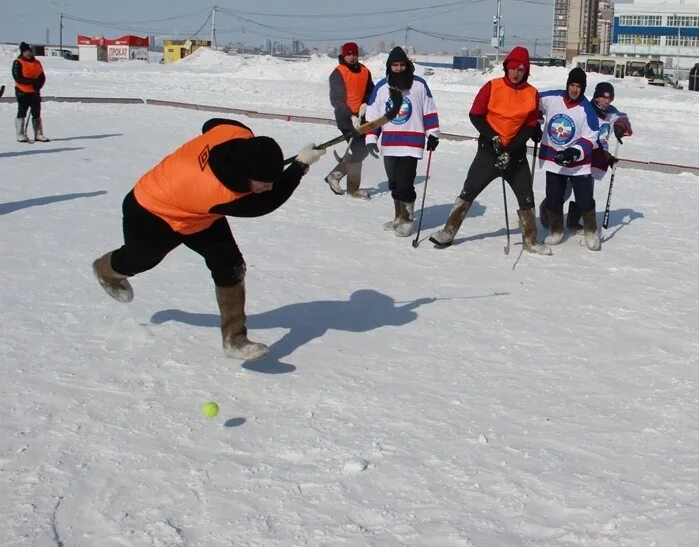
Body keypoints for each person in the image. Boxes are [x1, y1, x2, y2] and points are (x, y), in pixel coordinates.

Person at [91, 118, 326, 361]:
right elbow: (268, 202)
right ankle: (105, 269)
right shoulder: (222, 193)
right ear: (243, 175)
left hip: (198, 214)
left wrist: (276, 168)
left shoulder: (236, 133)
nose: (268, 187)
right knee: (140, 260)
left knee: (230, 265)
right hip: (151, 209)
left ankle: (234, 340)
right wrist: (299, 166)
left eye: (270, 181)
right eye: (263, 183)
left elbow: (212, 124)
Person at [429, 46, 549, 255]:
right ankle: (448, 232)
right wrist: (493, 138)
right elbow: (476, 115)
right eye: (512, 68)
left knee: (526, 196)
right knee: (469, 190)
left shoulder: (532, 93)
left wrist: (509, 150)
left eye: (521, 69)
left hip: (515, 154)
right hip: (488, 151)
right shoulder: (491, 87)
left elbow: (530, 126)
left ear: (526, 70)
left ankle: (531, 239)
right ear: (506, 67)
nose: (515, 72)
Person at [364, 47, 440, 237]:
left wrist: (433, 134)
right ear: (390, 67)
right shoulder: (381, 88)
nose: (399, 68)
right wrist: (371, 138)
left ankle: (407, 219)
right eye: (395, 65)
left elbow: (429, 110)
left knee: (405, 183)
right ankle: (398, 216)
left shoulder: (419, 85)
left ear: (407, 65)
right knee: (394, 183)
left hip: (412, 143)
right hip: (390, 144)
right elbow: (373, 116)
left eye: (402, 64)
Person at [537, 68, 601, 250]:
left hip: (577, 164)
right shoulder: (552, 98)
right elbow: (531, 102)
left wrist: (574, 152)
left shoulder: (587, 109)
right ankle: (556, 231)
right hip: (553, 159)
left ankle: (590, 231)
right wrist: (534, 122)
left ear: (583, 88)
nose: (574, 89)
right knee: (554, 198)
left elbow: (591, 138)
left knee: (584, 199)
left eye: (578, 86)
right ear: (567, 85)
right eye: (572, 85)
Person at [566, 81, 633, 233]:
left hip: (596, 159)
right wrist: (605, 155)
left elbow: (623, 118)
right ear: (596, 97)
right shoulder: (586, 109)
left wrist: (620, 126)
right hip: (578, 157)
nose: (607, 101)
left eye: (610, 99)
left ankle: (573, 222)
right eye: (603, 98)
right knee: (565, 191)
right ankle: (548, 212)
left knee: (586, 193)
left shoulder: (611, 112)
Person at [324, 42, 376, 198]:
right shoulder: (338, 73)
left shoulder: (365, 71)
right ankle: (349, 186)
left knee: (361, 149)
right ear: (343, 55)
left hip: (362, 115)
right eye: (349, 54)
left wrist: (366, 103)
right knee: (360, 149)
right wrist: (350, 115)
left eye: (354, 54)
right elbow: (336, 99)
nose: (352, 57)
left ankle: (339, 175)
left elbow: (370, 90)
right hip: (345, 117)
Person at [12, 42, 47, 142]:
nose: (28, 53)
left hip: (34, 92)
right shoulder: (17, 62)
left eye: (29, 51)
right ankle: (20, 134)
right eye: (25, 51)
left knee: (36, 113)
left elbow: (42, 76)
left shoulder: (37, 62)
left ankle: (38, 134)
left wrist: (38, 85)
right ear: (22, 52)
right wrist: (32, 82)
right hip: (22, 91)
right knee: (22, 112)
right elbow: (18, 78)